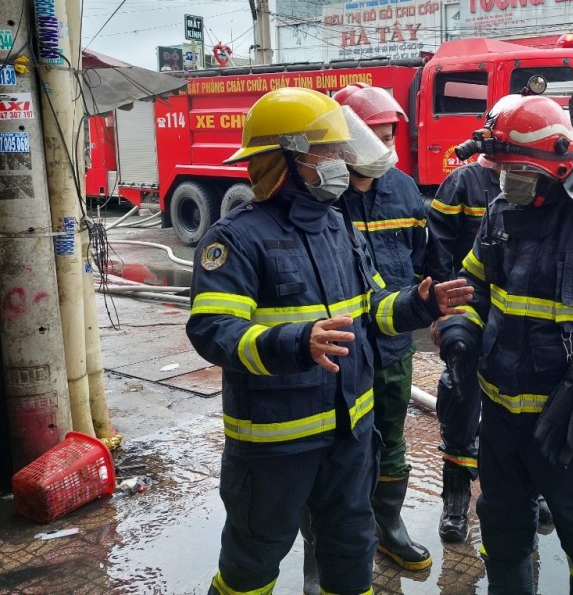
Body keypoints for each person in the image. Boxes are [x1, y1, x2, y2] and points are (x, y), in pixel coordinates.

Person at [186, 87, 472, 595]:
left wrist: (420, 304)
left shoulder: (338, 226)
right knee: (252, 561)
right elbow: (213, 331)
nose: (342, 162)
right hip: (275, 444)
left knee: (351, 552)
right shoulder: (235, 238)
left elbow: (372, 309)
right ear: (287, 159)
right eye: (329, 152)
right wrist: (297, 343)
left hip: (349, 436)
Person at [435, 94, 573, 594]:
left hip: (570, 419)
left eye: (514, 170)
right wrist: (461, 334)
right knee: (503, 530)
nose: (503, 179)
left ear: (555, 167)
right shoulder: (500, 213)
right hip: (501, 416)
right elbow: (474, 289)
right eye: (501, 169)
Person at [334, 85, 432, 572]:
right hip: (339, 352)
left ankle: (388, 527)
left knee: (390, 437)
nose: (385, 146)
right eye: (374, 136)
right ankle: (338, 538)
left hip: (392, 347)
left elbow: (422, 259)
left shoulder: (404, 189)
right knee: (341, 445)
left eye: (389, 136)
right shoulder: (324, 195)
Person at [425, 156, 501, 542]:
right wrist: (441, 311)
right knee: (459, 398)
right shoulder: (463, 183)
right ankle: (456, 497)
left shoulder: (545, 182)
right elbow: (438, 250)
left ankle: (531, 490)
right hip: (466, 309)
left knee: (524, 409)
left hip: (519, 317)